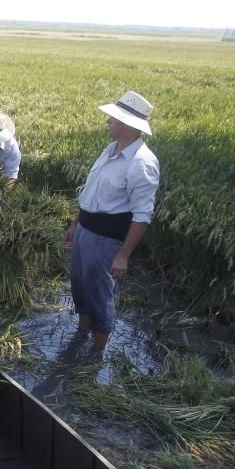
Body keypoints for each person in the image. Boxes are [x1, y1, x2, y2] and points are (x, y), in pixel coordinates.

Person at [64, 91, 160, 358]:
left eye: (113, 119)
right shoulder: (110, 150)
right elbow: (90, 194)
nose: (108, 122)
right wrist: (75, 225)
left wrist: (123, 256)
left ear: (128, 125)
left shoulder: (142, 163)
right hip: (85, 230)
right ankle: (81, 334)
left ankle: (96, 353)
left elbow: (142, 215)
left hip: (107, 240)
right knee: (79, 285)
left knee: (99, 292)